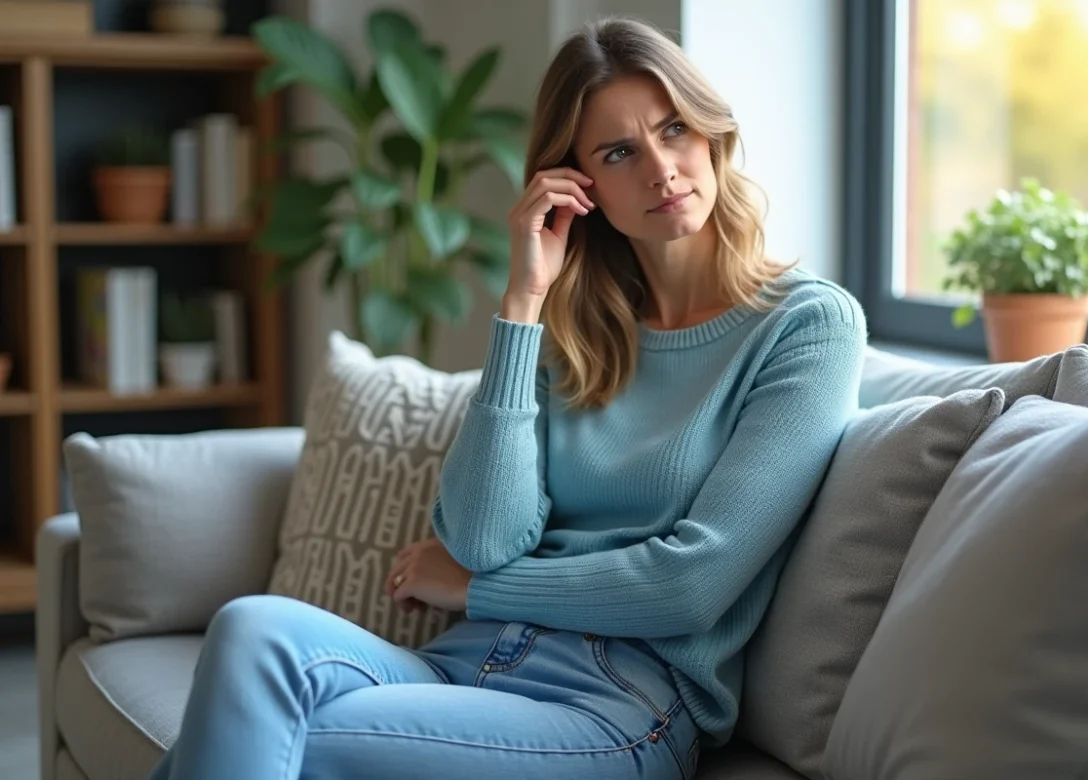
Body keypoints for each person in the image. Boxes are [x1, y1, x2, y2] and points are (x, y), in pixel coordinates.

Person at [147, 15, 866, 780]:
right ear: (578, 185)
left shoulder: (806, 326)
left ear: (712, 134)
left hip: (613, 704)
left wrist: (475, 590)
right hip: (463, 664)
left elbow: (688, 588)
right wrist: (523, 302)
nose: (662, 169)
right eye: (619, 152)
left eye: (676, 129)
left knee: (276, 739)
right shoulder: (575, 332)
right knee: (251, 631)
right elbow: (488, 534)